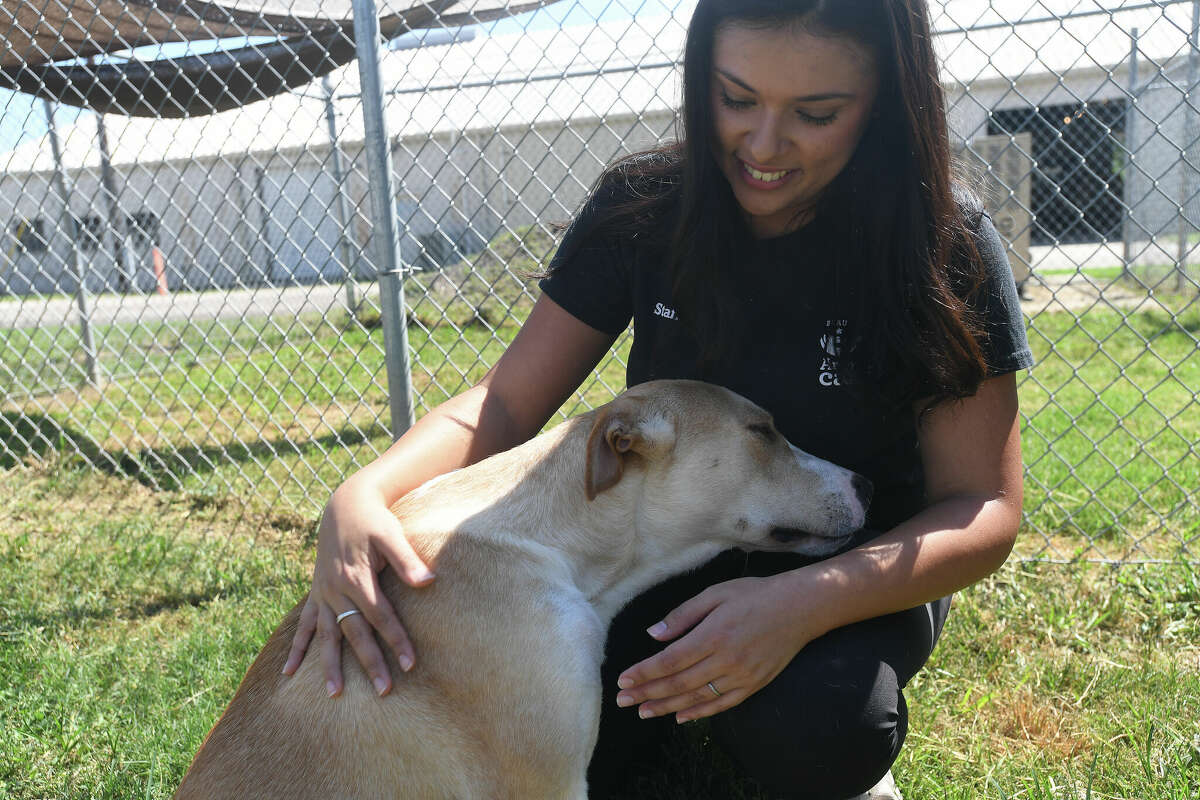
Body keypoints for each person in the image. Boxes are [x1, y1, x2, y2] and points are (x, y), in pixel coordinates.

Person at [281, 0, 1034, 797]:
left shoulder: (944, 245)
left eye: (816, 113)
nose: (764, 145)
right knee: (546, 705)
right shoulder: (643, 206)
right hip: (664, 554)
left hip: (857, 559)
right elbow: (503, 406)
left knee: (819, 727)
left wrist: (801, 604)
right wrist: (362, 493)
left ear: (885, 97)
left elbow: (983, 506)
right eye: (735, 98)